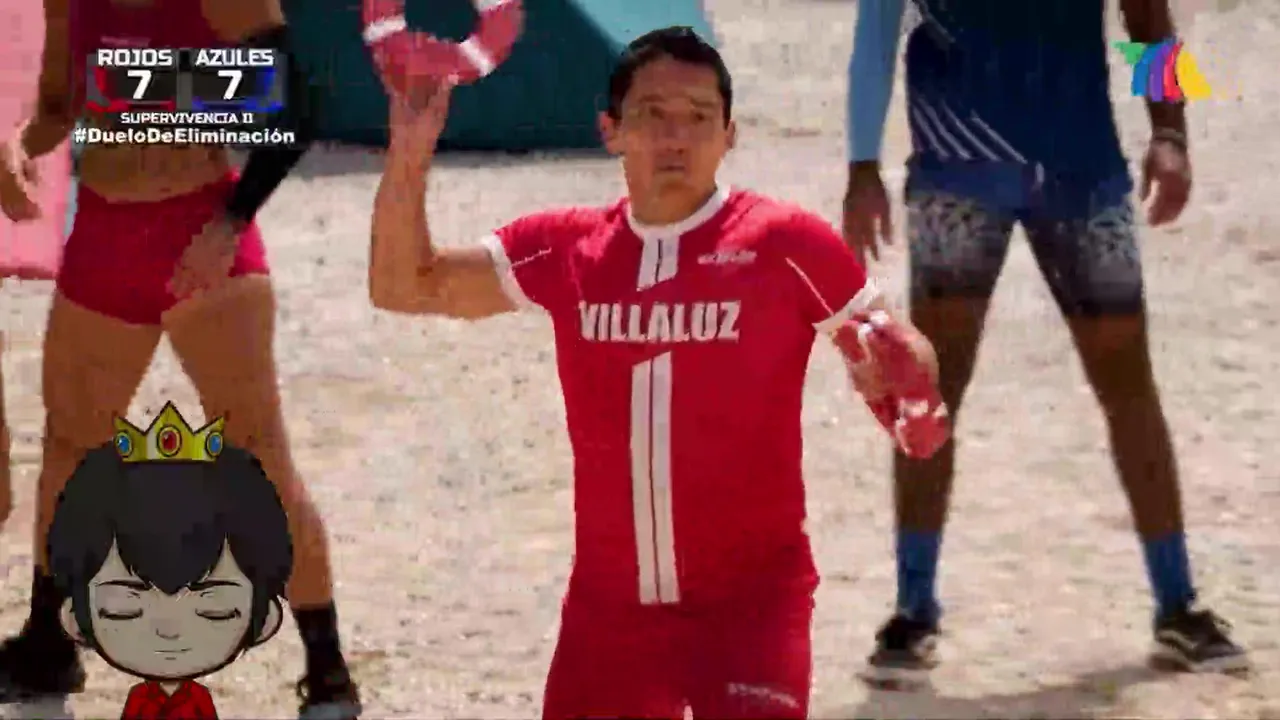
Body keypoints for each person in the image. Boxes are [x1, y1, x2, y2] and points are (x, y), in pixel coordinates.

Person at [369, 25, 949, 719]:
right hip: (608, 617)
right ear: (610, 131)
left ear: (729, 135)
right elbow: (404, 285)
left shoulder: (783, 243)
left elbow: (894, 343)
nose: (676, 136)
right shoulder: (565, 248)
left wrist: (904, 374)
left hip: (752, 612)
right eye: (652, 114)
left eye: (699, 117)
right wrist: (409, 152)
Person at [842, 0, 1248, 685]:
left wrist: (1171, 133)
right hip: (957, 173)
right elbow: (874, 36)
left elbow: (1150, 20)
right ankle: (912, 610)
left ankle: (1179, 603)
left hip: (1081, 171)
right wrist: (861, 166)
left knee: (1127, 382)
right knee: (931, 389)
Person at [0, 0, 361, 714]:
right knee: (70, 445)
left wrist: (232, 221)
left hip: (199, 230)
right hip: (105, 235)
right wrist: (17, 145)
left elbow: (299, 102)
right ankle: (47, 645)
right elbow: (60, 106)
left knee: (257, 452)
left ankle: (328, 670)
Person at [48, 403, 294, 720]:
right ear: (74, 619)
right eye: (124, 609)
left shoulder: (195, 701)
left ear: (266, 621)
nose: (169, 631)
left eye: (215, 611)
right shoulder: (141, 699)